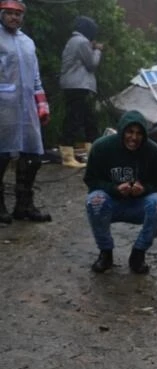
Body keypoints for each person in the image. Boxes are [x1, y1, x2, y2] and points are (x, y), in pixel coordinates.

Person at [84, 110, 157, 274]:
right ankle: (105, 253)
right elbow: (91, 180)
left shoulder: (153, 151)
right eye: (130, 132)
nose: (134, 138)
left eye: (139, 133)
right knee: (95, 200)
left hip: (138, 204)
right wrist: (114, 189)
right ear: (122, 131)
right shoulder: (101, 147)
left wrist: (144, 189)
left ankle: (138, 253)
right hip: (111, 202)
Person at [0, 0, 52, 224]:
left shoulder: (28, 42)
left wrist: (42, 105)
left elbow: (36, 78)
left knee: (32, 156)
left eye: (17, 14)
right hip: (3, 106)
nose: (14, 18)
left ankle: (24, 204)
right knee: (1, 156)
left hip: (27, 107)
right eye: (9, 13)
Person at [58, 15, 103, 169]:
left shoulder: (73, 41)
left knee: (88, 118)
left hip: (74, 85)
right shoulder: (82, 41)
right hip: (78, 85)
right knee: (75, 119)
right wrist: (97, 50)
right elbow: (92, 64)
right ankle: (67, 157)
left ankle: (93, 154)